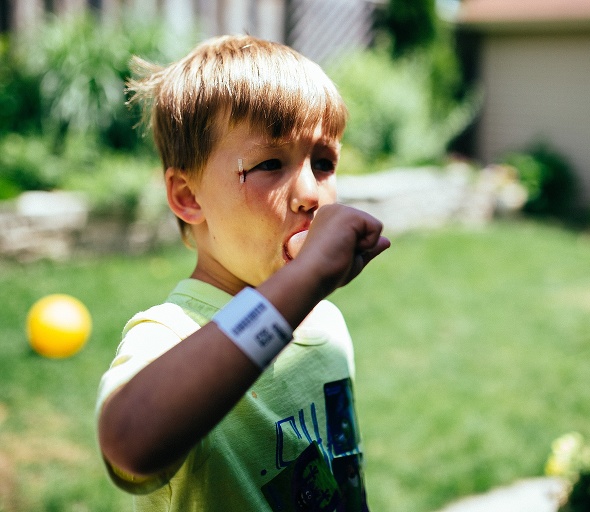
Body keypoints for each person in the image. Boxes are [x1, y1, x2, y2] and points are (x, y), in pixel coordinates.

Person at [95, 34, 389, 511]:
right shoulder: (172, 335)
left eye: (323, 162)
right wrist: (301, 285)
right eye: (270, 163)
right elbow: (130, 440)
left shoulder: (327, 326)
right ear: (189, 196)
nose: (311, 192)